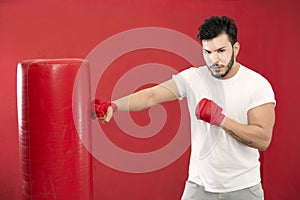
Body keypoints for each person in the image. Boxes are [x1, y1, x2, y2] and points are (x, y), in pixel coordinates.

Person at [93, 16, 276, 200]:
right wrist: (115, 106)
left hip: (243, 189)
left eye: (221, 51)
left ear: (235, 49)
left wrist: (221, 121)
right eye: (208, 52)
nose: (214, 59)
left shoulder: (256, 85)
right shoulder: (193, 78)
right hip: (199, 187)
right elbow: (151, 95)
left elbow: (262, 139)